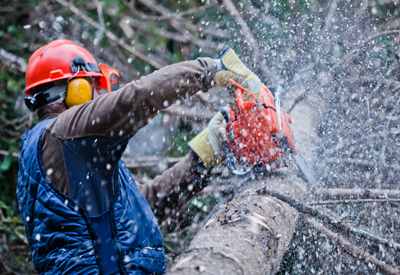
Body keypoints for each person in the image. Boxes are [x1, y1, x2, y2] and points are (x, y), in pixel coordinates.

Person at [17, 39, 260, 274]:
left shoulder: (64, 150)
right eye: (94, 86)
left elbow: (139, 210)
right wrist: (212, 69)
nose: (100, 96)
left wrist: (202, 158)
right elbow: (136, 99)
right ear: (75, 91)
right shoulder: (65, 133)